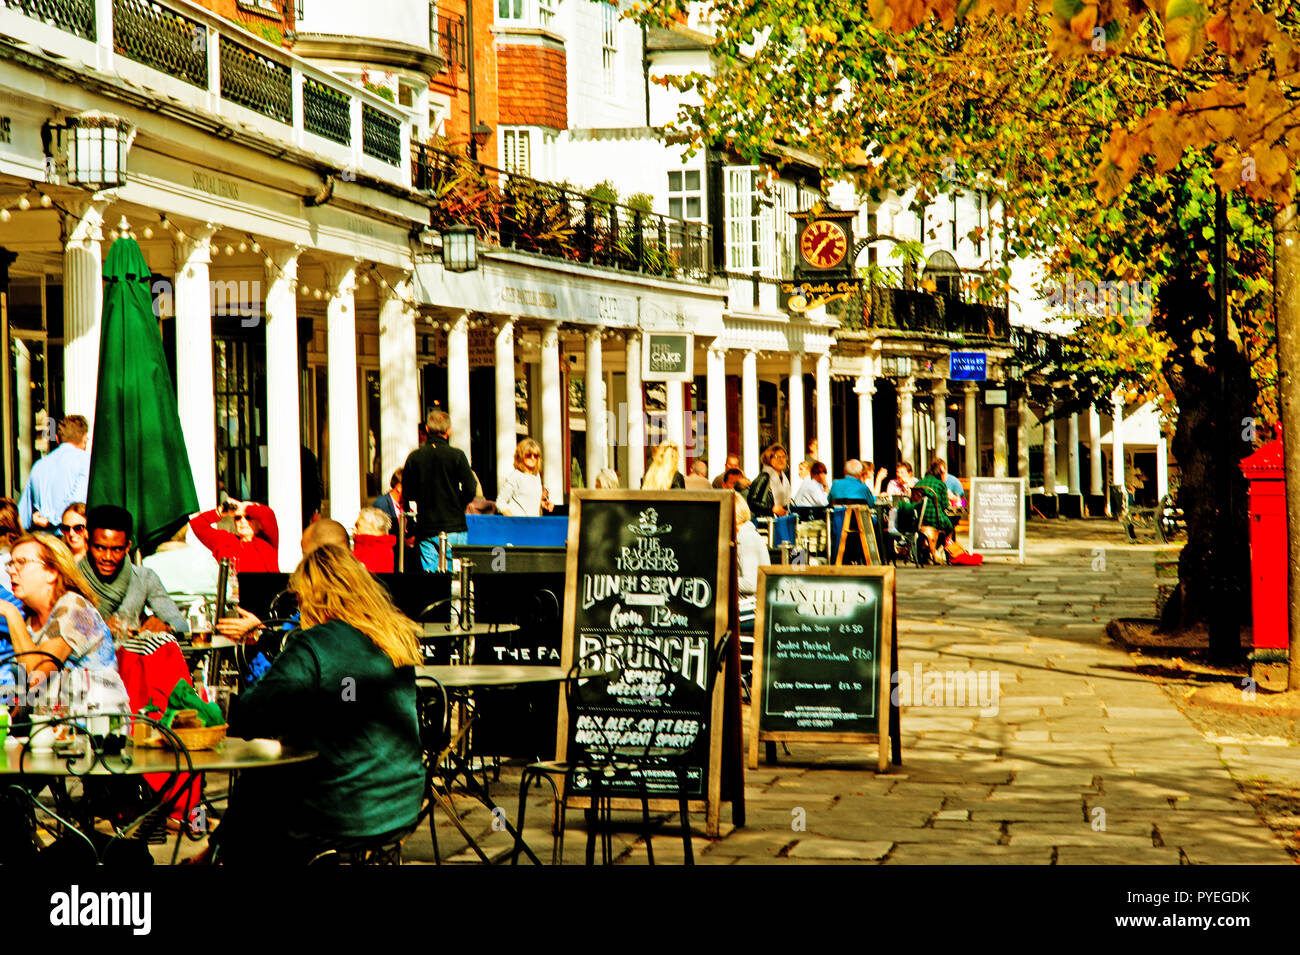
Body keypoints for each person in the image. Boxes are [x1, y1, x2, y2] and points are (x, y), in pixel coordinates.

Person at [210, 545, 424, 864]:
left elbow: (254, 716)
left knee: (259, 784)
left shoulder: (314, 643)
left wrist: (214, 705)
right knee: (264, 784)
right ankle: (212, 853)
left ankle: (216, 856)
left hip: (344, 813)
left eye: (299, 598)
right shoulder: (393, 635)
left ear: (310, 597)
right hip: (403, 802)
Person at [0, 533, 130, 708]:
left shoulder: (74, 608)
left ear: (52, 572)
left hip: (96, 722)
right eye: (11, 563)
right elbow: (28, 696)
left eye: (21, 562)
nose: (11, 571)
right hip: (55, 725)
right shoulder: (31, 619)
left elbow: (36, 676)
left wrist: (10, 612)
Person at [215, 520, 352, 644]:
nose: (302, 563)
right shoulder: (362, 592)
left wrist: (261, 633)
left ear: (319, 557)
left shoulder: (327, 598)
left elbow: (308, 649)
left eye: (305, 554)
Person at [78, 505, 188, 635]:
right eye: (100, 548)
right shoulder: (70, 579)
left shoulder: (144, 578)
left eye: (116, 549)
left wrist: (167, 627)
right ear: (87, 544)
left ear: (127, 547)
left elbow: (180, 624)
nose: (108, 557)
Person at [402, 410, 476, 571]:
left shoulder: (415, 457)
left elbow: (407, 493)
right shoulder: (457, 456)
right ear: (448, 431)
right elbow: (471, 488)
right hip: (454, 524)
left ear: (427, 430)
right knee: (455, 577)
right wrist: (458, 503)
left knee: (431, 578)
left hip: (427, 525)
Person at [18, 415, 90, 531]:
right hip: (70, 538)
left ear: (57, 439)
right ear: (85, 438)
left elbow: (22, 518)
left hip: (42, 540)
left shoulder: (39, 466)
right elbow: (78, 504)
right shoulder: (86, 461)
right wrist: (52, 521)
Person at [189, 498, 280, 573]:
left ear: (259, 523)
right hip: (234, 593)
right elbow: (197, 524)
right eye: (238, 517)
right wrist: (220, 512)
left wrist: (243, 507)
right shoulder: (226, 541)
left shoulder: (267, 541)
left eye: (248, 517)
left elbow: (267, 514)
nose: (243, 521)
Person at [142, 524, 220, 604]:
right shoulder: (205, 558)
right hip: (203, 611)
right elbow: (226, 593)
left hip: (162, 613)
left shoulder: (147, 564)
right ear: (186, 530)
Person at [495, 438, 554, 516]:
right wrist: (513, 520)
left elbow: (528, 501)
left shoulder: (537, 476)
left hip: (534, 524)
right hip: (519, 525)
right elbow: (500, 502)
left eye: (535, 455)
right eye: (529, 455)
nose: (532, 458)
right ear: (521, 456)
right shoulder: (515, 476)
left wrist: (543, 504)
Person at [914, 460, 957, 559]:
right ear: (940, 472)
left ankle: (928, 548)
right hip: (935, 520)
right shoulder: (940, 484)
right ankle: (945, 552)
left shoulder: (919, 482)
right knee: (950, 526)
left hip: (919, 520)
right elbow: (945, 506)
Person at [746, 444, 790, 517]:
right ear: (769, 459)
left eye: (783, 457)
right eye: (776, 457)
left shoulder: (784, 478)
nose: (781, 459)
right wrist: (771, 509)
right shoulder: (764, 477)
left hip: (781, 520)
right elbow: (752, 502)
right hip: (766, 522)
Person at [352, 507, 396, 574]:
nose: (354, 531)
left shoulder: (373, 552)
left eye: (357, 526)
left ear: (372, 526)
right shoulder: (387, 549)